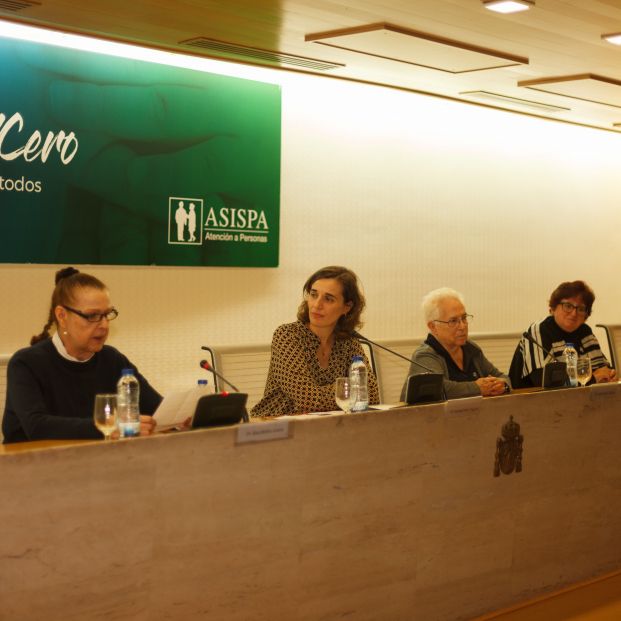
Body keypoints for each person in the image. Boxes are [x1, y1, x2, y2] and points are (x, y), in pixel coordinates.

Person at [2, 267, 161, 443]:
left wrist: (183, 416)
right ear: (62, 316)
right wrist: (108, 428)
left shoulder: (112, 359)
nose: (104, 325)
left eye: (107, 314)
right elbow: (38, 426)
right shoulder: (26, 363)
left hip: (94, 462)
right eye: (92, 315)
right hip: (31, 464)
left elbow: (156, 408)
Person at [251, 266, 380, 417]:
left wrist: (348, 393)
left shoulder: (348, 342)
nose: (317, 305)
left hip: (325, 427)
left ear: (347, 307)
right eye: (313, 295)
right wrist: (348, 392)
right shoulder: (288, 335)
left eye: (328, 299)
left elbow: (370, 392)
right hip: (274, 427)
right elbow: (307, 399)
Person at [401, 288, 510, 400]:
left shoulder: (471, 348)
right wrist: (477, 388)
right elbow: (438, 389)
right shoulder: (424, 355)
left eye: (464, 318)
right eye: (453, 321)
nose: (462, 326)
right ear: (433, 327)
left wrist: (502, 385)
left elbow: (503, 377)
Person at [509, 280, 616, 388]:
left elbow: (604, 369)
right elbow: (543, 381)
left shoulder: (585, 332)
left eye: (581, 309)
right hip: (533, 401)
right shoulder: (539, 330)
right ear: (553, 308)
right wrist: (593, 379)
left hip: (580, 400)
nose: (574, 313)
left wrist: (610, 375)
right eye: (568, 306)